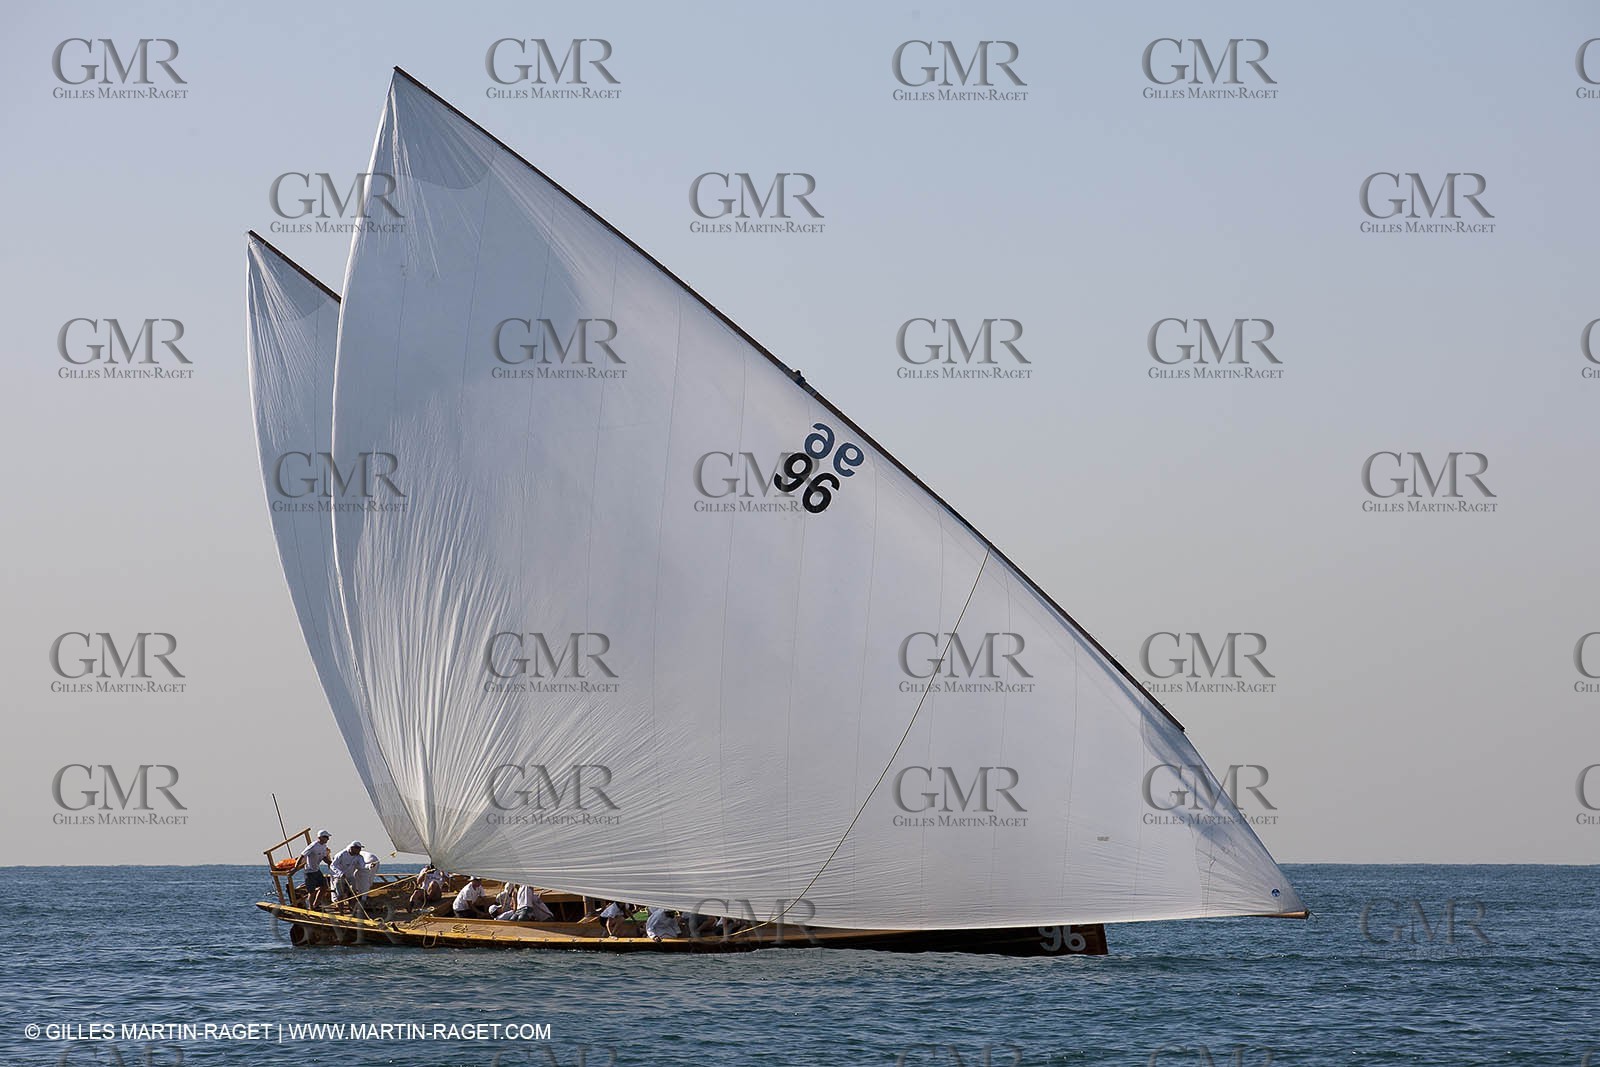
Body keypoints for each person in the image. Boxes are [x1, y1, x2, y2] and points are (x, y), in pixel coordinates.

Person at [295, 830, 333, 910]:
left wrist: (331, 863)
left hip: (316, 870)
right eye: (326, 837)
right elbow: (302, 856)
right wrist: (295, 868)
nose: (328, 839)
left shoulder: (324, 847)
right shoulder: (313, 846)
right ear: (320, 837)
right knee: (311, 892)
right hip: (309, 872)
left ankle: (316, 904)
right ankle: (311, 908)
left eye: (328, 837)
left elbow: (324, 858)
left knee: (324, 886)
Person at [331, 841, 366, 914]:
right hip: (339, 877)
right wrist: (340, 873)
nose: (359, 850)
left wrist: (369, 866)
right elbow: (333, 865)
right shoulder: (341, 854)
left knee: (353, 893)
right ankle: (341, 912)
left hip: (350, 876)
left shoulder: (359, 856)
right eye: (358, 848)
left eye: (360, 849)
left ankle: (352, 909)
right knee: (340, 895)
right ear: (352, 848)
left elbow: (363, 866)